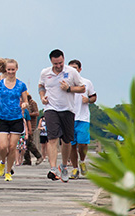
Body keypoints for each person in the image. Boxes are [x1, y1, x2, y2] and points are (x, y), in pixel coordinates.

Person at [38, 49, 85, 183]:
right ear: (51, 62)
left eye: (60, 63)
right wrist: (42, 97)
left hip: (68, 109)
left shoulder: (71, 72)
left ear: (63, 59)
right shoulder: (45, 73)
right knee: (52, 138)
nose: (58, 66)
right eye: (55, 64)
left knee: (66, 140)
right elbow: (40, 85)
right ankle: (53, 168)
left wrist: (69, 89)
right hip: (51, 108)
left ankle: (64, 165)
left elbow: (82, 88)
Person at [0, 58, 28, 182]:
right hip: (2, 118)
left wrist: (24, 105)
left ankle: (8, 172)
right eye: (9, 69)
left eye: (13, 69)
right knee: (2, 146)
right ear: (5, 70)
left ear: (16, 69)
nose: (11, 72)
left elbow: (26, 101)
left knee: (12, 147)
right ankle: (2, 162)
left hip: (16, 118)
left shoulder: (21, 85)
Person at [67, 59, 97, 179]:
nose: (73, 70)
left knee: (82, 143)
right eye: (70, 68)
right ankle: (74, 168)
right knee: (71, 145)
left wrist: (88, 100)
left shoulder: (86, 82)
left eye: (75, 68)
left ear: (80, 69)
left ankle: (82, 161)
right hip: (69, 117)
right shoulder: (65, 83)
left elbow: (94, 96)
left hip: (83, 117)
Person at [22, 95, 43, 165]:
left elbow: (37, 113)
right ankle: (27, 159)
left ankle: (38, 156)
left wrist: (28, 114)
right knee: (25, 143)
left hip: (31, 125)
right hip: (24, 126)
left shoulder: (33, 103)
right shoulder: (22, 104)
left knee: (29, 142)